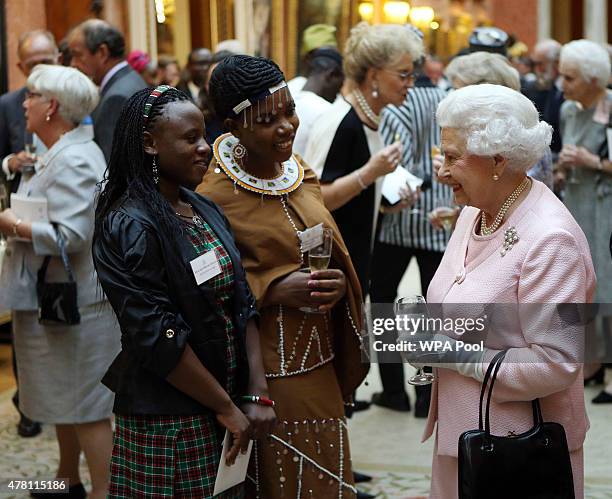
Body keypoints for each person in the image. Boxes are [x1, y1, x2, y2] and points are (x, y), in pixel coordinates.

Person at [92, 85, 276, 498]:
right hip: (169, 420)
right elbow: (156, 334)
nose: (205, 147)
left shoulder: (202, 207)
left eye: (203, 135)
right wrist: (225, 407)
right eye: (190, 138)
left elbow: (241, 301)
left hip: (227, 406)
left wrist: (256, 392)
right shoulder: (129, 223)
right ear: (149, 144)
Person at [197, 55, 368, 498]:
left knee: (327, 474)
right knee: (283, 481)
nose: (286, 126)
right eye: (267, 120)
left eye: (289, 111)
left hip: (320, 360)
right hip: (267, 371)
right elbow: (205, 286)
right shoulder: (212, 195)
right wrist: (271, 288)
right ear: (233, 127)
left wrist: (336, 281)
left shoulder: (299, 171)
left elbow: (328, 244)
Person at [413, 83, 594, 499]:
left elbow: (557, 363)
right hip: (463, 436)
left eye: (453, 157)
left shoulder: (552, 240)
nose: (440, 171)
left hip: (519, 451)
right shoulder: (475, 212)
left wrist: (450, 353)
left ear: (498, 159)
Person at [0, 64, 121, 499]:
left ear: (51, 106)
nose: (24, 102)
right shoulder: (55, 150)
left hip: (76, 306)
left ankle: (103, 492)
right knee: (65, 404)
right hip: (55, 302)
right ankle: (65, 480)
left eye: (31, 95)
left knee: (87, 409)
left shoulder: (75, 159)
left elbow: (73, 236)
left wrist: (14, 225)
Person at [304, 22, 423, 294]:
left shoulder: (372, 119)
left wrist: (387, 205)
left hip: (357, 257)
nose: (410, 84)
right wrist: (372, 172)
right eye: (403, 75)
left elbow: (354, 195)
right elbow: (315, 198)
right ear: (373, 75)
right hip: (330, 266)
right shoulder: (341, 121)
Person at [369, 47, 451, 416]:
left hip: (399, 217)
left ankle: (393, 391)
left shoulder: (395, 105)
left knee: (385, 305)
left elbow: (391, 156)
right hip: (438, 215)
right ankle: (426, 395)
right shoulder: (446, 99)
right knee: (432, 309)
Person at [0, 30, 59, 438]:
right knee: (26, 314)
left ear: (59, 56)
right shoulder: (7, 104)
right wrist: (10, 162)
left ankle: (66, 396)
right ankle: (30, 404)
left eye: (46, 58)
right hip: (23, 225)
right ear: (20, 67)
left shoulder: (76, 95)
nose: (38, 67)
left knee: (67, 315)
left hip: (66, 221)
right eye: (30, 62)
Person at [557, 39, 612, 403]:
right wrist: (562, 169)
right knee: (581, 282)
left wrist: (592, 162)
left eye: (571, 77)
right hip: (575, 204)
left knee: (607, 284)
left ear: (594, 79)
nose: (563, 84)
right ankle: (590, 361)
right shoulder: (568, 111)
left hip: (605, 209)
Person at [443, 51, 554, 189]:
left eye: (459, 92)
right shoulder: (480, 135)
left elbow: (511, 198)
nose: (452, 100)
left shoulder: (524, 138)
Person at [68, 19, 147, 162]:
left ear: (102, 53)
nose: (73, 64)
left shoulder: (116, 98)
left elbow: (113, 167)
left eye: (78, 55)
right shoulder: (131, 78)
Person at [293, 47, 345, 156]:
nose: (339, 92)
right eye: (340, 85)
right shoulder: (326, 112)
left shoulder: (289, 96)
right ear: (331, 75)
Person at [522, 39, 564, 156]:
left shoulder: (567, 90)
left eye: (540, 64)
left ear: (557, 63)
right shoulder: (532, 87)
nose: (537, 70)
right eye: (534, 64)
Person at [288, 24, 338, 95]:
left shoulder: (337, 90)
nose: (330, 62)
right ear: (307, 59)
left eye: (333, 56)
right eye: (324, 56)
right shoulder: (292, 90)